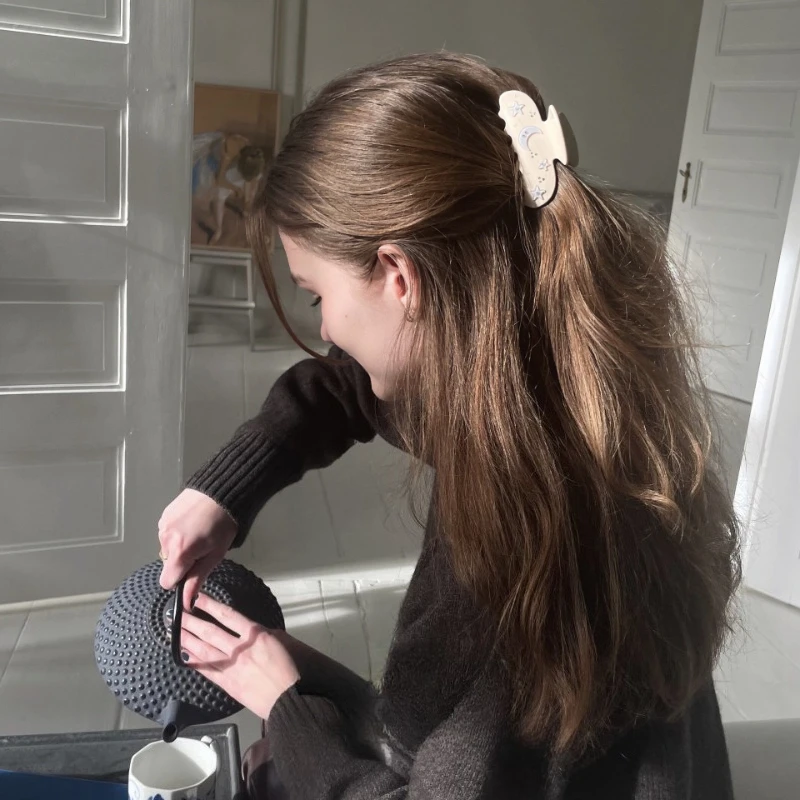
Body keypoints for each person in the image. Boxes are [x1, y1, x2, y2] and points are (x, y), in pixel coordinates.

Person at [158, 52, 740, 799]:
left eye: (316, 295)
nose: (326, 330)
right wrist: (228, 487)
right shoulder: (551, 385)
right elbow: (346, 385)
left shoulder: (521, 562)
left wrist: (288, 709)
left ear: (399, 276)